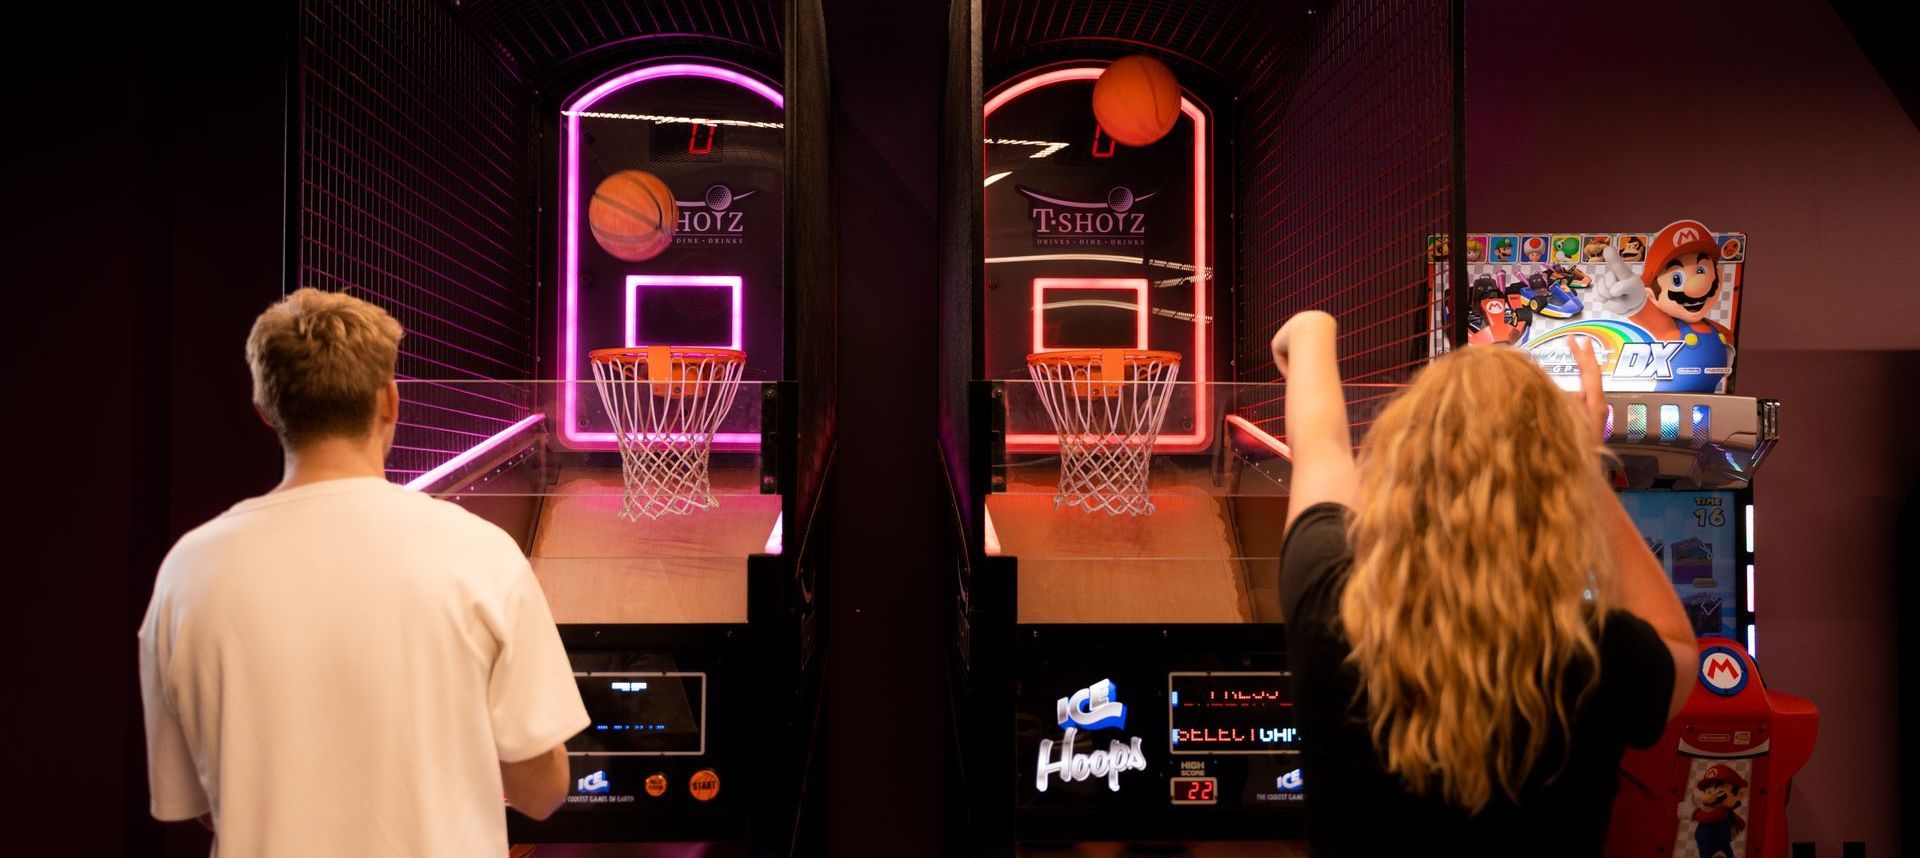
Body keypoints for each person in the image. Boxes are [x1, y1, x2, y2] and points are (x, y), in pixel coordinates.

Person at [138, 288, 588, 856]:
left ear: (264, 407)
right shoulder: (480, 553)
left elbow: (199, 802)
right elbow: (541, 790)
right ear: (389, 401)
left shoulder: (188, 570)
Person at [1270, 311, 1695, 856]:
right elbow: (1680, 645)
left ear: (1401, 467)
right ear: (1558, 497)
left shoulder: (1332, 604)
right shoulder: (1599, 654)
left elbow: (1322, 447)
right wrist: (1584, 468)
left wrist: (1309, 332)